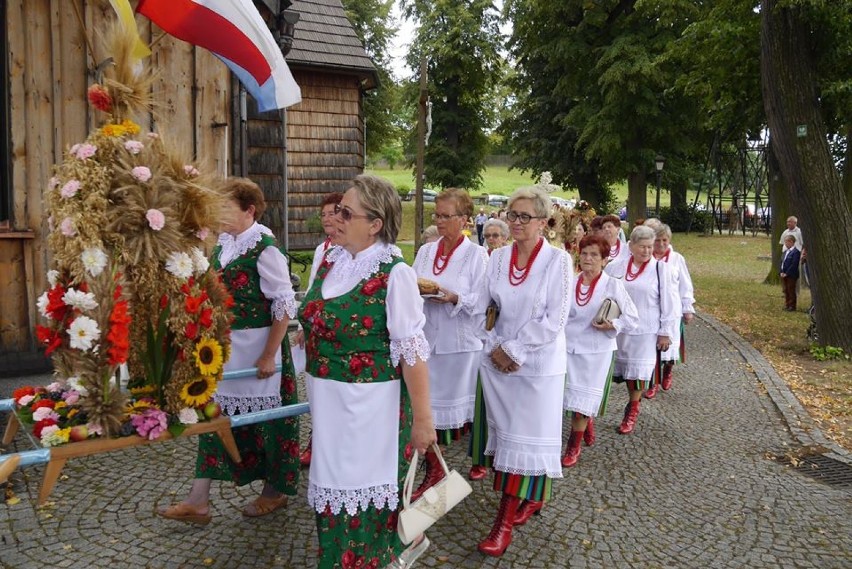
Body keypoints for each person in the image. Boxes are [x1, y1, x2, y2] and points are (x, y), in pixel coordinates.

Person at [298, 174, 436, 568]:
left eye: (346, 212)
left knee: (364, 499)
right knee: (331, 494)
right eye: (337, 209)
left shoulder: (395, 273)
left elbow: (412, 351)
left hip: (370, 410)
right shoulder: (330, 259)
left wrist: (424, 420)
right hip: (330, 407)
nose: (335, 218)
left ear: (374, 224)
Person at [158, 177, 300, 525]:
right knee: (216, 419)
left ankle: (274, 491)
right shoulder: (224, 244)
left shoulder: (265, 248)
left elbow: (284, 305)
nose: (218, 215)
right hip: (227, 349)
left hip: (260, 349)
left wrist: (268, 355)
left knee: (271, 426)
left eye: (226, 208)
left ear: (249, 210)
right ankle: (199, 500)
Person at [474, 186, 573, 557]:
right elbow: (483, 306)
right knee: (505, 439)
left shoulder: (558, 261)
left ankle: (503, 522)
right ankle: (527, 497)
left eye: (523, 216)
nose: (514, 222)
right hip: (498, 361)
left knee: (523, 441)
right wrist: (493, 346)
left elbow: (555, 318)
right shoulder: (498, 259)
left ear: (544, 223)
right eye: (511, 214)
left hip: (537, 366)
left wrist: (514, 349)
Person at [413, 189, 488, 488]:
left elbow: (483, 300)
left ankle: (438, 470)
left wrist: (455, 297)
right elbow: (412, 284)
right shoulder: (426, 251)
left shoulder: (477, 255)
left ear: (465, 219)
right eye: (437, 214)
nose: (439, 220)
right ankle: (434, 470)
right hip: (426, 339)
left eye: (446, 215)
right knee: (426, 407)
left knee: (446, 413)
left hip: (458, 346)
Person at [562, 235, 638, 467]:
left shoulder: (612, 285)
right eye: (584, 253)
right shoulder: (570, 282)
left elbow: (633, 319)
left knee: (581, 402)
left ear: (604, 260)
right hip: (567, 348)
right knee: (568, 399)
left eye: (594, 255)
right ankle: (586, 421)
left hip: (595, 352)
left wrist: (613, 325)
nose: (588, 258)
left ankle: (573, 447)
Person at [605, 225, 677, 435]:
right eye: (642, 247)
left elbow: (669, 303)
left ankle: (632, 408)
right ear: (631, 246)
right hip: (618, 329)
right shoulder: (615, 267)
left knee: (638, 374)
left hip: (646, 330)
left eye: (649, 247)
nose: (647, 251)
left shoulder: (661, 270)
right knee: (611, 371)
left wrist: (665, 332)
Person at [297, 192, 343, 467]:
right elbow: (314, 287)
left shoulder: (347, 249)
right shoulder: (321, 249)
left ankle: (324, 446)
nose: (327, 219)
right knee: (317, 393)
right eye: (323, 214)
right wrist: (305, 322)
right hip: (315, 328)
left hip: (333, 330)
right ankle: (317, 442)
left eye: (332, 213)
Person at [646, 224, 695, 397]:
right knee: (651, 348)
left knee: (669, 346)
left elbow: (685, 285)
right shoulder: (647, 259)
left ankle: (668, 369)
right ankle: (652, 383)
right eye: (657, 240)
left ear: (669, 240)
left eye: (664, 240)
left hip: (672, 309)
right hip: (652, 309)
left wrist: (687, 308)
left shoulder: (677, 259)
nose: (660, 244)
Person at [780, 235, 801, 311]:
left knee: (791, 289)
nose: (785, 244)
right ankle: (787, 304)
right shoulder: (785, 252)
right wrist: (781, 272)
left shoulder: (796, 252)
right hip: (783, 273)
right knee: (786, 290)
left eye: (787, 242)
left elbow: (794, 264)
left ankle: (792, 305)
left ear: (791, 242)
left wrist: (787, 273)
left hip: (791, 275)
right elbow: (782, 262)